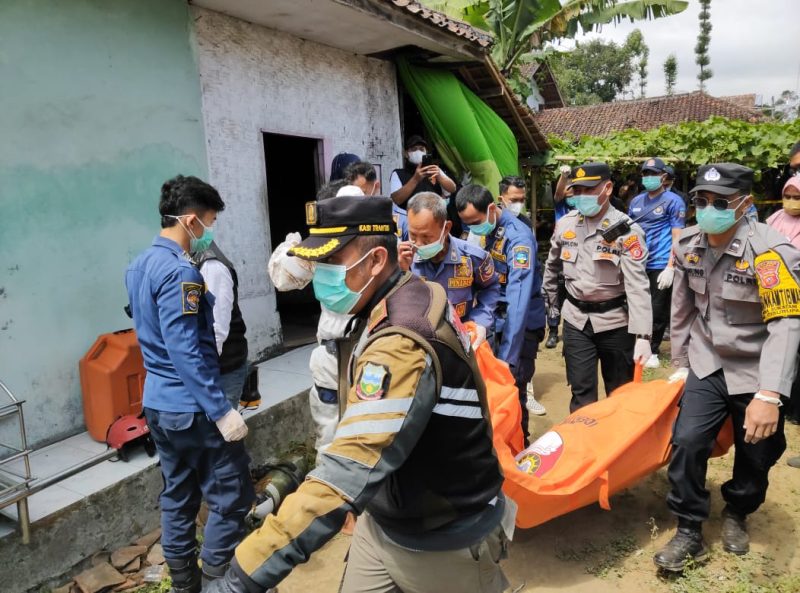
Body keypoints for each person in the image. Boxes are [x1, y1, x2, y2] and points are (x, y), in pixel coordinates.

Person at [207, 195, 510, 593]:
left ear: (375, 261)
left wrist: (242, 576)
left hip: (443, 538)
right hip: (387, 520)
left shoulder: (402, 342)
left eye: (331, 263)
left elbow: (345, 472)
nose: (320, 275)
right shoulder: (400, 294)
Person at [654, 163, 800, 572]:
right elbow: (682, 309)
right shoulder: (688, 245)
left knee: (759, 453)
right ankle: (688, 529)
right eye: (700, 200)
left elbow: (786, 323)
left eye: (720, 202)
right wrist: (681, 363)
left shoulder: (771, 254)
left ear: (745, 205)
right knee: (687, 441)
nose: (707, 209)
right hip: (708, 360)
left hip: (756, 367)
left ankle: (737, 510)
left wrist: (770, 394)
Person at [125, 175, 254, 592]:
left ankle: (184, 586)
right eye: (210, 221)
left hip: (159, 406)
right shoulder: (182, 272)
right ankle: (216, 581)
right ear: (191, 220)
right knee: (232, 495)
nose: (209, 232)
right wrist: (222, 411)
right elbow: (186, 351)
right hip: (191, 407)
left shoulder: (139, 264)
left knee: (178, 495)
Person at [543, 163, 653, 413]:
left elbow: (637, 286)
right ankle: (583, 447)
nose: (581, 196)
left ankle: (619, 448)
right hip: (576, 320)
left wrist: (643, 336)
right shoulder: (566, 225)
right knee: (581, 394)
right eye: (577, 189)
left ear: (607, 188)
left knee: (620, 394)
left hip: (615, 322)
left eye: (588, 189)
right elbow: (552, 268)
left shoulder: (628, 231)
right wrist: (551, 308)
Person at [267, 181, 352, 462]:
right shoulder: (319, 247)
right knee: (329, 440)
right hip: (331, 357)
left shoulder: (377, 245)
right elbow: (283, 278)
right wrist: (289, 248)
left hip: (369, 353)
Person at [456, 184, 542, 443]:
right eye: (466, 223)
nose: (472, 227)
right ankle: (497, 450)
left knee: (513, 390)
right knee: (490, 391)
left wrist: (509, 356)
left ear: (492, 209)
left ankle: (519, 448)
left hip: (520, 326)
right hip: (494, 320)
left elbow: (519, 299)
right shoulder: (485, 232)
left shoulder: (519, 237)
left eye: (475, 221)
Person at [398, 192, 499, 347]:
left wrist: (479, 321)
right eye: (413, 235)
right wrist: (401, 274)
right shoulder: (402, 259)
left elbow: (491, 287)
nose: (418, 244)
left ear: (446, 228)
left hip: (462, 339)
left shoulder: (473, 257)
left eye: (426, 237)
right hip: (420, 342)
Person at [628, 157, 686, 368]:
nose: (649, 177)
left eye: (653, 174)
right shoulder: (636, 202)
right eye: (645, 174)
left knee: (657, 307)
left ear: (663, 177)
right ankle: (636, 342)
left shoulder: (673, 201)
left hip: (661, 261)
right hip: (636, 262)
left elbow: (677, 236)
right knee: (636, 303)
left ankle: (652, 349)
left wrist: (671, 266)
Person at [498, 176, 548, 417]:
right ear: (501, 199)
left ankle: (527, 400)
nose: (518, 204)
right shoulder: (495, 226)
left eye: (522, 199)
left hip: (527, 310)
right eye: (513, 200)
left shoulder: (524, 225)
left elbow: (524, 279)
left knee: (520, 372)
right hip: (505, 311)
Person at [194, 242, 251, 409]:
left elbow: (216, 330)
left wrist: (204, 374)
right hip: (212, 367)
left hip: (222, 368)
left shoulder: (211, 265)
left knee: (223, 431)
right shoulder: (190, 259)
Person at [767, 176, 800, 458]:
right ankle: (784, 403)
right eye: (788, 195)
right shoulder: (775, 219)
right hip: (778, 299)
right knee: (784, 355)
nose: (791, 202)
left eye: (797, 197)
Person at [345, 160, 408, 240]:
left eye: (363, 192)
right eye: (355, 193)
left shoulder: (399, 218)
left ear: (377, 186)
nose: (359, 197)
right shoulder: (344, 217)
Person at [389, 135, 457, 209]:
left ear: (426, 152)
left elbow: (452, 189)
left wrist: (439, 176)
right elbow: (397, 199)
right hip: (408, 217)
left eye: (422, 149)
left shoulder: (434, 170)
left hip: (433, 215)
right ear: (406, 154)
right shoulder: (398, 174)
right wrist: (415, 179)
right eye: (414, 149)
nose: (418, 152)